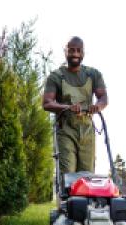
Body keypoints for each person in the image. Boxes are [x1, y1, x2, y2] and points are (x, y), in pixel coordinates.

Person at [43, 36, 108, 175]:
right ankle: (66, 197)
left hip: (87, 130)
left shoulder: (93, 74)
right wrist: (67, 107)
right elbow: (47, 103)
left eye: (78, 51)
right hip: (66, 129)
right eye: (72, 50)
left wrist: (97, 106)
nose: (75, 54)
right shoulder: (56, 76)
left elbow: (103, 97)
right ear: (65, 52)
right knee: (68, 174)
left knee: (87, 175)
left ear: (83, 53)